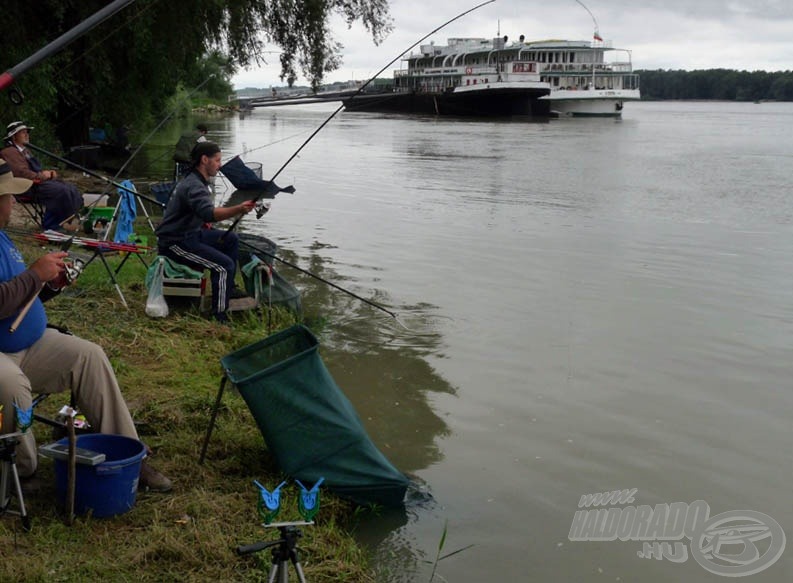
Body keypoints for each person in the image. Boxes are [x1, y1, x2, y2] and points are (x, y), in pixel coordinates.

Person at [0, 162, 172, 492]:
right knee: (11, 384)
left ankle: (130, 455)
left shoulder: (3, 238)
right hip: (4, 358)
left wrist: (49, 285)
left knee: (88, 356)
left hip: (28, 344)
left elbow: (18, 296)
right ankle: (21, 471)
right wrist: (35, 274)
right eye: (10, 197)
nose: (15, 203)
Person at [156, 141, 257, 322]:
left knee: (231, 239)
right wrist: (239, 209)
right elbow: (209, 214)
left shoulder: (196, 180)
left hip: (191, 233)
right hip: (175, 242)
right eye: (217, 160)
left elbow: (201, 214)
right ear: (204, 160)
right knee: (224, 266)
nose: (220, 165)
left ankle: (229, 290)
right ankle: (219, 316)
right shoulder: (194, 185)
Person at [0, 121, 83, 231]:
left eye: (27, 132)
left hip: (37, 183)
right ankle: (52, 225)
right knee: (61, 191)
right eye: (23, 132)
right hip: (25, 186)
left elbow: (34, 170)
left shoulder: (25, 151)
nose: (27, 135)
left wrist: (48, 174)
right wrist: (43, 176)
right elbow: (22, 173)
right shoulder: (9, 152)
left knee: (71, 188)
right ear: (14, 137)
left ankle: (68, 220)